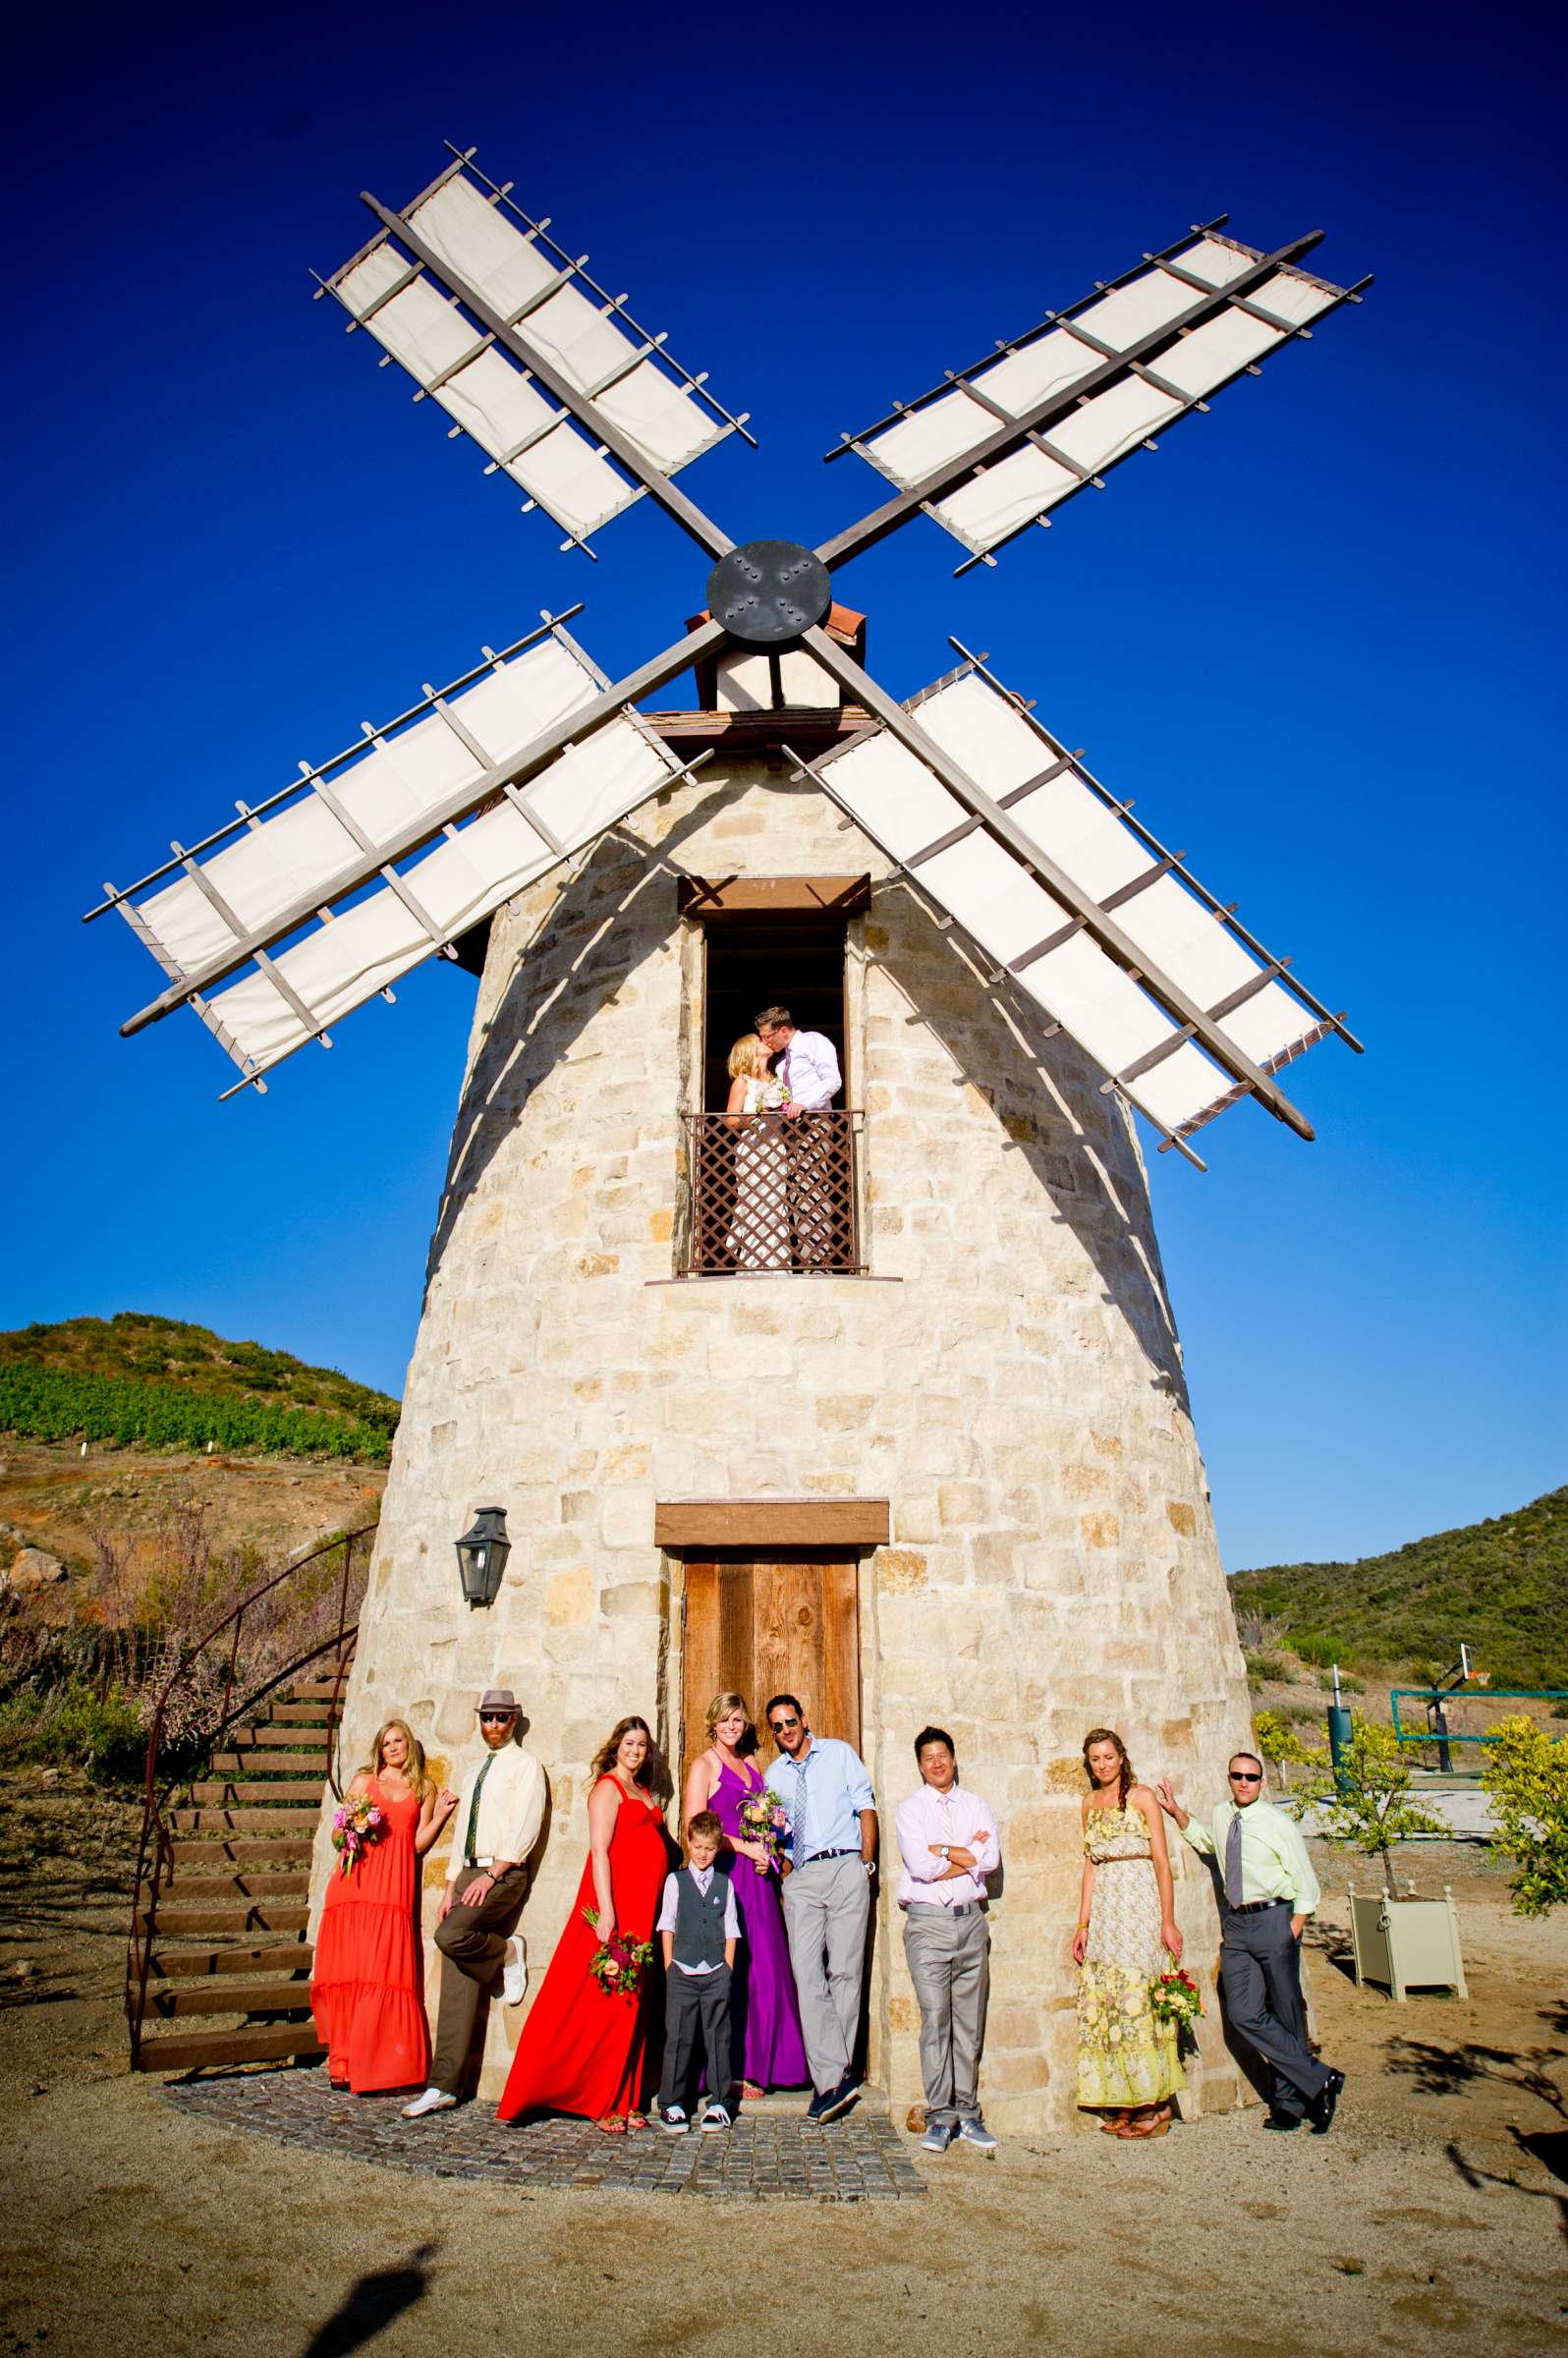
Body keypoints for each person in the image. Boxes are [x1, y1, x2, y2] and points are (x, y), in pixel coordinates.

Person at [497, 1714, 670, 2136]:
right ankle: (600, 2098)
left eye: (642, 1745)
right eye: (630, 1743)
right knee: (604, 2000)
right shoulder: (607, 1790)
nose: (635, 1751)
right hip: (617, 1905)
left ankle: (627, 2096)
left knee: (632, 2002)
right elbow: (600, 1850)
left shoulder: (642, 1789)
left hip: (644, 1909)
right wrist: (607, 1911)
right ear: (616, 1746)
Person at [1156, 1755, 1344, 2134]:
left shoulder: (1278, 1824)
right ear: (1229, 1778)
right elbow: (1211, 1842)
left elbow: (1307, 1885)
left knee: (1287, 2013)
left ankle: (1292, 2105)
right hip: (1238, 1924)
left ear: (1261, 1781)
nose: (1244, 1783)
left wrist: (1290, 1930)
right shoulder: (1223, 1814)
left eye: (1251, 1777)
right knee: (1243, 2012)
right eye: (1237, 1776)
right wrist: (1177, 1812)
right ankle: (1320, 2078)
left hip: (1275, 1919)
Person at [401, 1688, 545, 2118]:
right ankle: (445, 2084)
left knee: (451, 1935)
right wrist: (450, 1885)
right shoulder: (473, 1770)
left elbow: (525, 1824)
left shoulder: (526, 1766)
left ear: (515, 1720)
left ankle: (505, 1950)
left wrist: (493, 1874)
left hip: (503, 1871)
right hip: (468, 1870)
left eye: (502, 1718)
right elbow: (464, 1825)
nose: (494, 1726)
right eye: (488, 1718)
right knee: (456, 1978)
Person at [311, 1718, 459, 2094]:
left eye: (398, 1741)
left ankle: (380, 2065)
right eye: (386, 1743)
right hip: (355, 1884)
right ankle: (342, 2062)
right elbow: (335, 1834)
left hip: (393, 1887)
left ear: (408, 1744)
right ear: (379, 1749)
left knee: (383, 1972)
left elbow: (416, 1844)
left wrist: (441, 1814)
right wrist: (351, 1827)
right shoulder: (364, 1782)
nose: (392, 1748)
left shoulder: (423, 1788)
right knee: (352, 1971)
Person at [682, 1690, 809, 2097]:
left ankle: (767, 2063)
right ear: (713, 1724)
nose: (732, 1727)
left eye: (738, 1720)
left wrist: (766, 1850)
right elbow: (694, 1830)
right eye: (725, 1720)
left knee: (767, 1968)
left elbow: (767, 1822)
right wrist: (743, 1847)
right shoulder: (705, 1766)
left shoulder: (752, 1762)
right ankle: (730, 2070)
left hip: (758, 1878)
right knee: (731, 1970)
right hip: (726, 1877)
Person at [762, 1693, 876, 2120]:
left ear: (804, 1719)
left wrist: (866, 1862)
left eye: (790, 1721)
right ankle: (835, 2079)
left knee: (845, 1971)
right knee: (807, 1975)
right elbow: (774, 1831)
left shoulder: (839, 1753)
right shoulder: (774, 1775)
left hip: (846, 1864)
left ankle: (832, 2080)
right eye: (776, 1726)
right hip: (803, 1877)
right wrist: (786, 1873)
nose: (785, 1730)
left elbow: (866, 1806)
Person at [1073, 1728, 1186, 2138]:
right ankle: (1124, 2100)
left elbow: (1161, 1860)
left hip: (1139, 1906)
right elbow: (1090, 1866)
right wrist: (1083, 1924)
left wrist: (1167, 1919)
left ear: (1121, 1757)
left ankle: (1155, 2108)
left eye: (1108, 1756)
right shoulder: (1088, 1804)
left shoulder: (1141, 1798)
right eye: (1095, 1759)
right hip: (1106, 1910)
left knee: (1140, 2001)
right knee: (1110, 2005)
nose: (1102, 1765)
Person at [896, 1724, 1001, 2157]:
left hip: (970, 1921)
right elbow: (919, 1865)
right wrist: (963, 1855)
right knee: (935, 2019)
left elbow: (990, 1860)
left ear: (953, 1759)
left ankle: (968, 2112)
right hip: (928, 1924)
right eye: (928, 1758)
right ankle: (940, 2115)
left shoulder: (975, 1806)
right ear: (920, 1766)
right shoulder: (911, 1810)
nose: (937, 1763)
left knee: (969, 2022)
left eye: (942, 1755)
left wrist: (945, 1850)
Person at [655, 1808, 740, 2134]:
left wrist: (727, 1968)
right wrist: (670, 1966)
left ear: (717, 1848)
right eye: (698, 1846)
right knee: (678, 2036)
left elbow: (731, 1928)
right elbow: (667, 1925)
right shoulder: (675, 1882)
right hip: (682, 1970)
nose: (703, 1854)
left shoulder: (724, 1884)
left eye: (710, 1848)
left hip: (716, 1969)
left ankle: (719, 2103)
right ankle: (673, 2102)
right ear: (689, 1843)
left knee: (718, 2036)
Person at [755, 1005, 842, 1268]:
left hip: (813, 1123)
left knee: (813, 1189)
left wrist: (805, 1103)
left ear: (783, 1030)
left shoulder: (814, 1042)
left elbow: (832, 1081)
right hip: (788, 1130)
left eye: (768, 1036)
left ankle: (818, 1262)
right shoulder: (780, 1063)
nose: (765, 1041)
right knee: (794, 1193)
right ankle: (802, 1257)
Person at [722, 1035, 790, 1271]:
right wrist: (757, 1113)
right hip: (753, 1148)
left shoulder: (776, 1079)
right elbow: (730, 1119)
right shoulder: (743, 1081)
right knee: (754, 1202)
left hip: (774, 1148)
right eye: (759, 1041)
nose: (766, 1042)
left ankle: (778, 1264)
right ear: (750, 1051)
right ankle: (754, 1263)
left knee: (775, 1204)